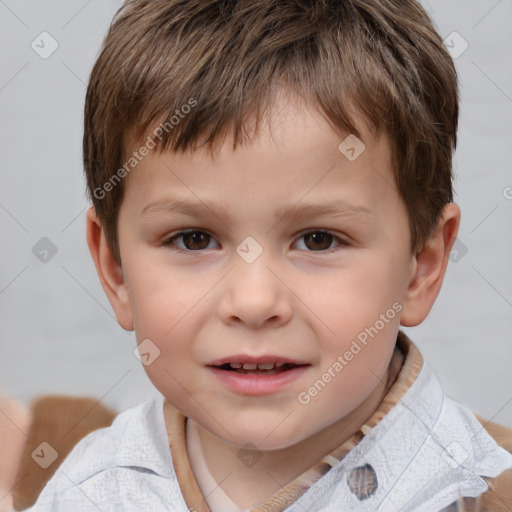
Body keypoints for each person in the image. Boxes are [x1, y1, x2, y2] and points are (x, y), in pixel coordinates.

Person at [25, 0, 512, 510]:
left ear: (421, 267)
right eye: (193, 239)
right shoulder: (87, 493)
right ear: (115, 269)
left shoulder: (482, 491)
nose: (254, 302)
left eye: (318, 239)